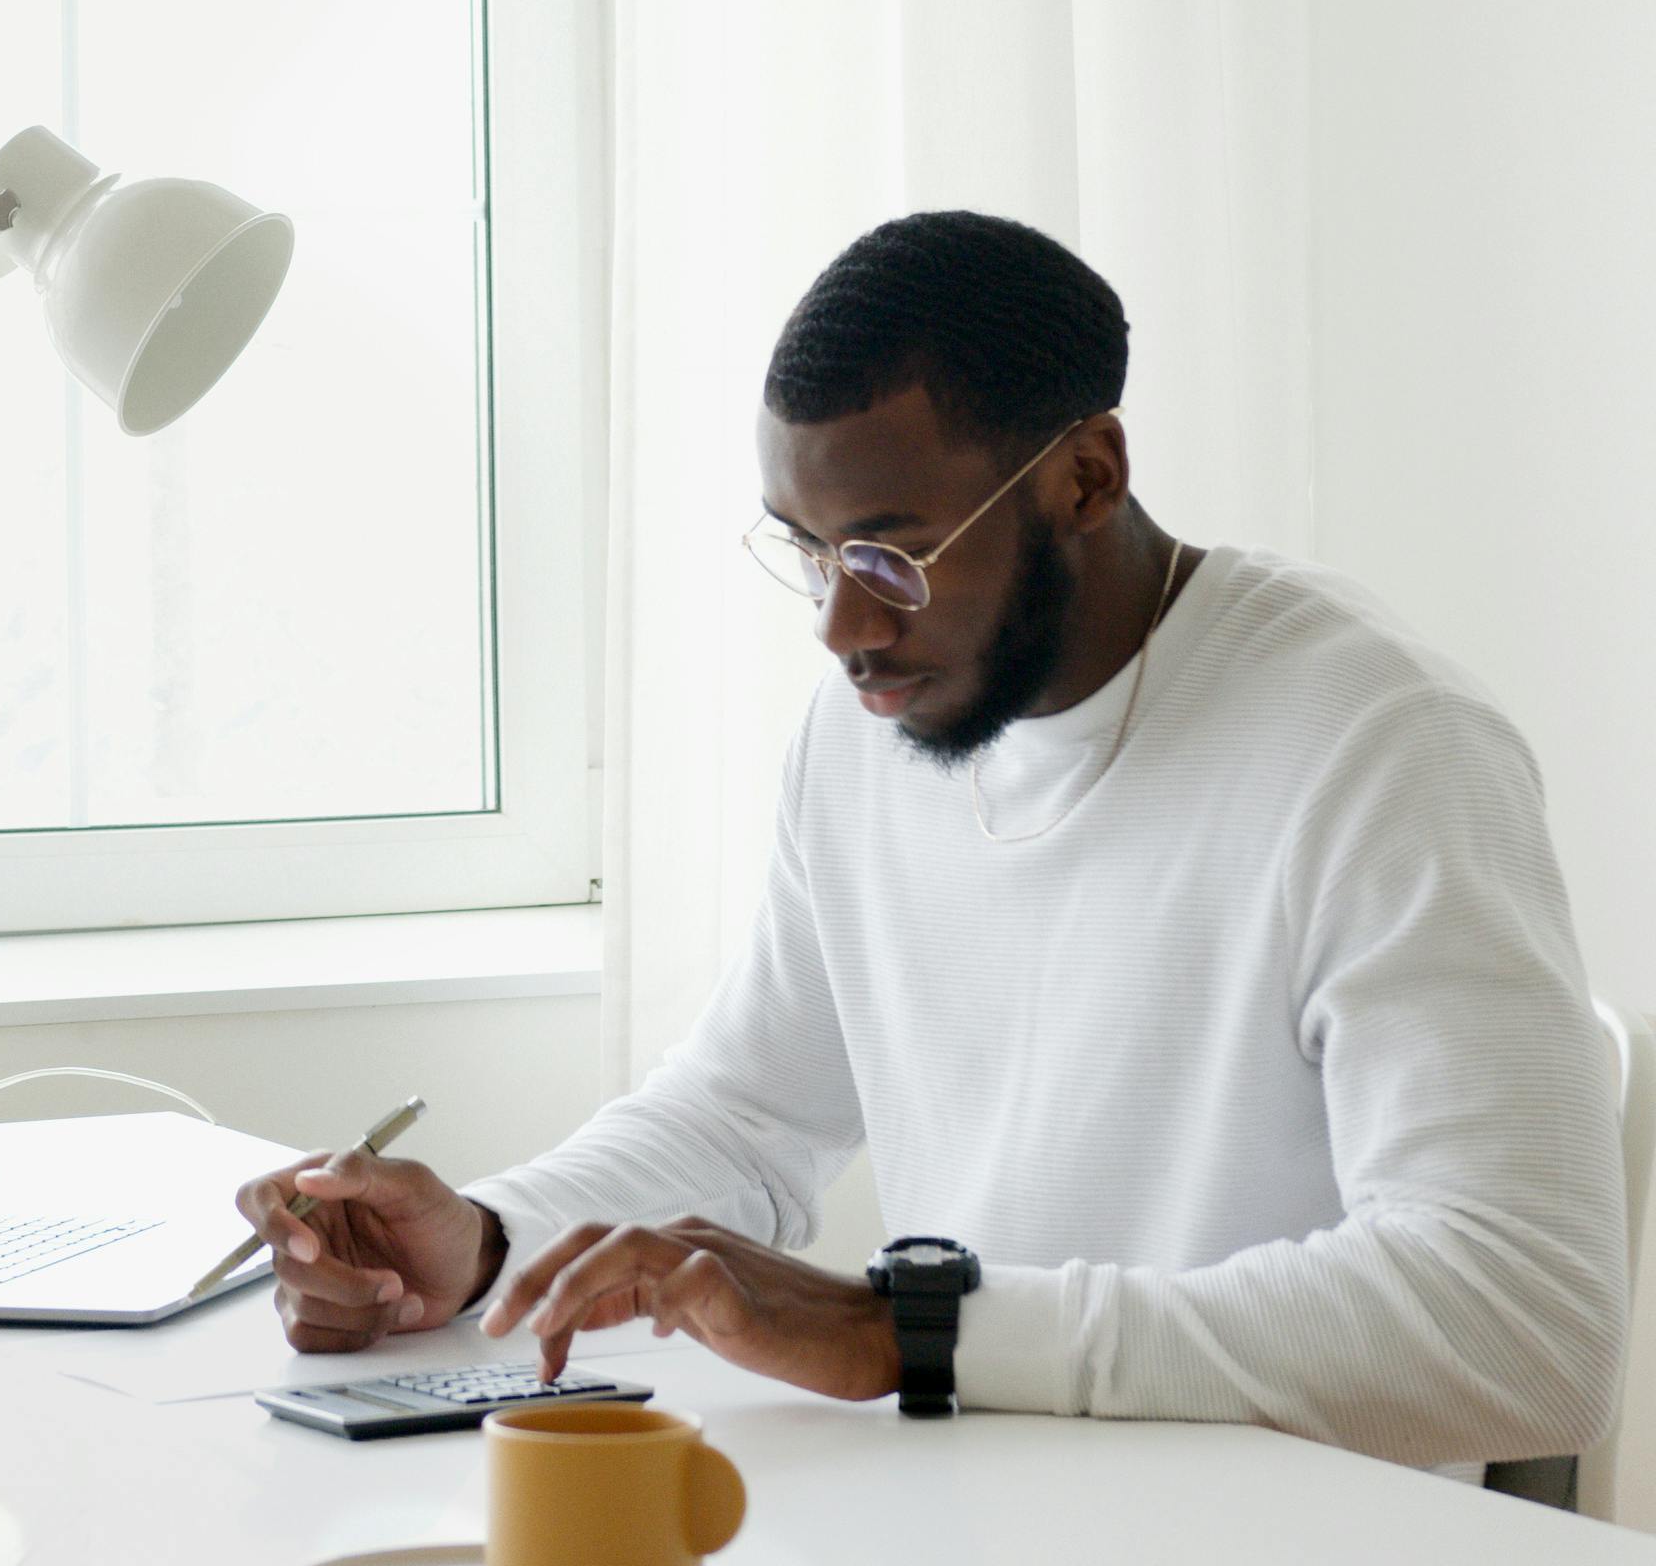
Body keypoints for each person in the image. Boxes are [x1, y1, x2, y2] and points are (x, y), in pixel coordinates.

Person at [235, 211, 1627, 1481]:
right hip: (991, 1524)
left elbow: (1523, 1321)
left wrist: (921, 1332)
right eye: (808, 550)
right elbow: (746, 1115)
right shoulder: (871, 736)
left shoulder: (1380, 748)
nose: (843, 629)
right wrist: (482, 1244)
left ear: (1088, 473)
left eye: (892, 557)